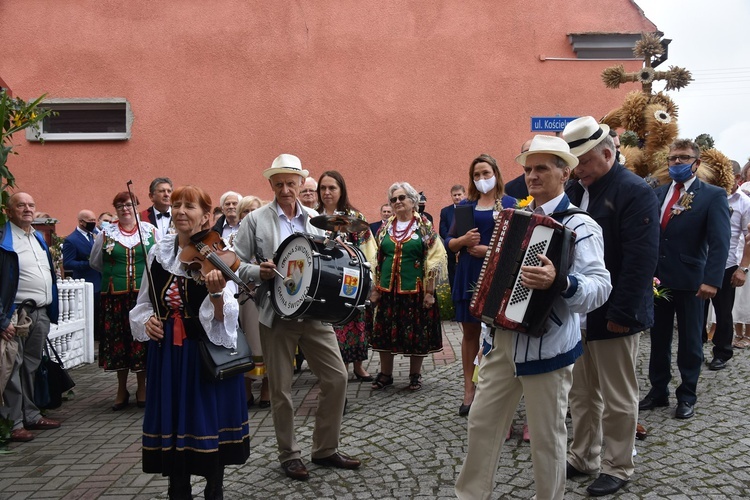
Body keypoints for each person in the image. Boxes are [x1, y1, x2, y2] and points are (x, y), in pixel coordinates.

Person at [455, 135, 611, 500]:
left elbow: (600, 287)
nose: (532, 176)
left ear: (565, 172)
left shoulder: (581, 225)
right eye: (527, 169)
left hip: (548, 347)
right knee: (481, 423)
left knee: (547, 436)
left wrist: (560, 281)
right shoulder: (516, 219)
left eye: (542, 168)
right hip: (500, 344)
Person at [233, 153, 360, 481]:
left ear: (302, 183)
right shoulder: (255, 220)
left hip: (315, 312)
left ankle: (325, 449)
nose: (286, 189)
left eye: (291, 183)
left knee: (337, 378)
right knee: (281, 389)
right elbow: (234, 261)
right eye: (279, 184)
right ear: (271, 185)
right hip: (276, 313)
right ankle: (289, 454)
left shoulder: (316, 218)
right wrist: (255, 271)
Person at [129, 185, 250, 499]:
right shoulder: (158, 251)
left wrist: (214, 294)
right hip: (167, 351)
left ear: (206, 216)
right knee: (172, 417)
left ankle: (214, 486)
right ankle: (178, 486)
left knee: (209, 416)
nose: (181, 210)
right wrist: (147, 320)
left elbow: (226, 321)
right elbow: (144, 302)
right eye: (177, 204)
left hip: (203, 350)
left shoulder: (217, 254)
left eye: (190, 206)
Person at [563, 116, 660, 496]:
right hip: (580, 311)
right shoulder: (576, 190)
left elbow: (641, 260)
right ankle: (583, 456)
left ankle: (618, 465)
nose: (577, 170)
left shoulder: (634, 191)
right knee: (581, 392)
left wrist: (622, 313)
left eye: (583, 162)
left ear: (607, 153)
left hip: (614, 313)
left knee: (618, 395)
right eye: (574, 163)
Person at [639, 139, 731, 420]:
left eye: (683, 158)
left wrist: (712, 280)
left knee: (690, 342)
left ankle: (687, 394)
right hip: (658, 280)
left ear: (696, 163)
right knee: (658, 339)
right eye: (672, 158)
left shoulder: (712, 195)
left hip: (693, 281)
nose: (676, 163)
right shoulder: (659, 193)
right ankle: (658, 390)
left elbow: (720, 242)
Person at [445, 154, 516, 416]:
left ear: (496, 173)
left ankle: (495, 388)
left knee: (499, 336)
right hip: (468, 273)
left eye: (485, 173)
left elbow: (514, 245)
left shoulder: (510, 204)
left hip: (495, 274)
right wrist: (462, 241)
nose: (481, 179)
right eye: (476, 175)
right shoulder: (466, 206)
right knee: (470, 334)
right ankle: (469, 389)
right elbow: (448, 242)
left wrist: (488, 250)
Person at [369, 182, 446, 392]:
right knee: (384, 332)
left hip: (416, 290)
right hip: (388, 290)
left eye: (402, 198)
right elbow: (378, 258)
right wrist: (375, 287)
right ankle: (386, 374)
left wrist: (429, 292)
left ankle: (414, 375)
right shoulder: (385, 227)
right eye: (393, 199)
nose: (397, 202)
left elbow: (434, 259)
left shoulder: (424, 227)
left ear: (413, 201)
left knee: (416, 333)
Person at [0, 192, 61, 443]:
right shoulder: (4, 239)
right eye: (20, 205)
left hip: (40, 312)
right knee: (12, 368)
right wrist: (2, 320)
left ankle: (31, 414)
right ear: (9, 210)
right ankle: (13, 422)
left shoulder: (36, 236)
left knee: (31, 365)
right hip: (16, 314)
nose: (27, 209)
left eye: (31, 205)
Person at [90, 192, 157, 411]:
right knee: (118, 343)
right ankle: (121, 388)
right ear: (115, 209)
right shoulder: (105, 233)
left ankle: (142, 388)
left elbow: (158, 260)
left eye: (129, 204)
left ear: (137, 206)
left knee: (141, 342)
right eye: (120, 205)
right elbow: (96, 262)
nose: (125, 209)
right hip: (115, 298)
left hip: (142, 297)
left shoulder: (150, 231)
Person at [316, 170, 378, 382]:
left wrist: (371, 284)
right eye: (323, 188)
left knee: (356, 322)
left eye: (332, 187)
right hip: (324, 281)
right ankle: (336, 370)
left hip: (351, 279)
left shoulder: (355, 217)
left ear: (341, 190)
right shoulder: (313, 216)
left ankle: (358, 367)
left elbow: (368, 249)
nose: (327, 192)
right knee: (332, 326)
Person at [702, 160, 750, 370]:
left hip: (728, 264)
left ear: (738, 179)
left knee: (723, 311)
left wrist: (743, 268)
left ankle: (722, 352)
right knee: (698, 312)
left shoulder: (743, 202)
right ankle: (695, 348)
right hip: (701, 262)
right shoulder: (707, 195)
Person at [232, 194, 269, 408]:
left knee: (266, 339)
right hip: (243, 294)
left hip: (266, 292)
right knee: (246, 340)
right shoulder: (233, 238)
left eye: (253, 210)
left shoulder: (266, 235)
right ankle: (245, 390)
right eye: (245, 211)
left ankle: (267, 389)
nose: (249, 214)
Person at [63, 209, 102, 339]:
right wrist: (89, 264)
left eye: (94, 220)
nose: (93, 223)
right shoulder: (71, 240)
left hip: (102, 281)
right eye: (90, 221)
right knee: (91, 314)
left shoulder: (97, 233)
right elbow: (68, 263)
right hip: (87, 281)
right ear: (81, 222)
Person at [439, 184, 466, 289]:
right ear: (451, 196)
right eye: (454, 195)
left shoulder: (470, 208)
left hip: (466, 249)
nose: (457, 197)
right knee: (452, 275)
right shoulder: (445, 211)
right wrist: (453, 243)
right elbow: (443, 230)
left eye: (459, 194)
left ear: (464, 194)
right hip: (451, 249)